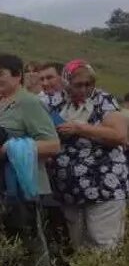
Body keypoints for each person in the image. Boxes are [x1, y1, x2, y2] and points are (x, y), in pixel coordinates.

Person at [0, 54, 60, 266]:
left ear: (17, 75)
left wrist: (11, 148)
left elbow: (52, 145)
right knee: (4, 254)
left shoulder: (29, 103)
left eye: (0, 74)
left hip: (24, 191)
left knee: (33, 255)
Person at [51, 59, 128, 250]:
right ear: (66, 83)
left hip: (103, 187)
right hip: (70, 191)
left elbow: (120, 135)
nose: (84, 89)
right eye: (78, 85)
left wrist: (80, 128)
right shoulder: (55, 102)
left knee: (103, 246)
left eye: (89, 84)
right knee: (79, 248)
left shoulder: (103, 100)